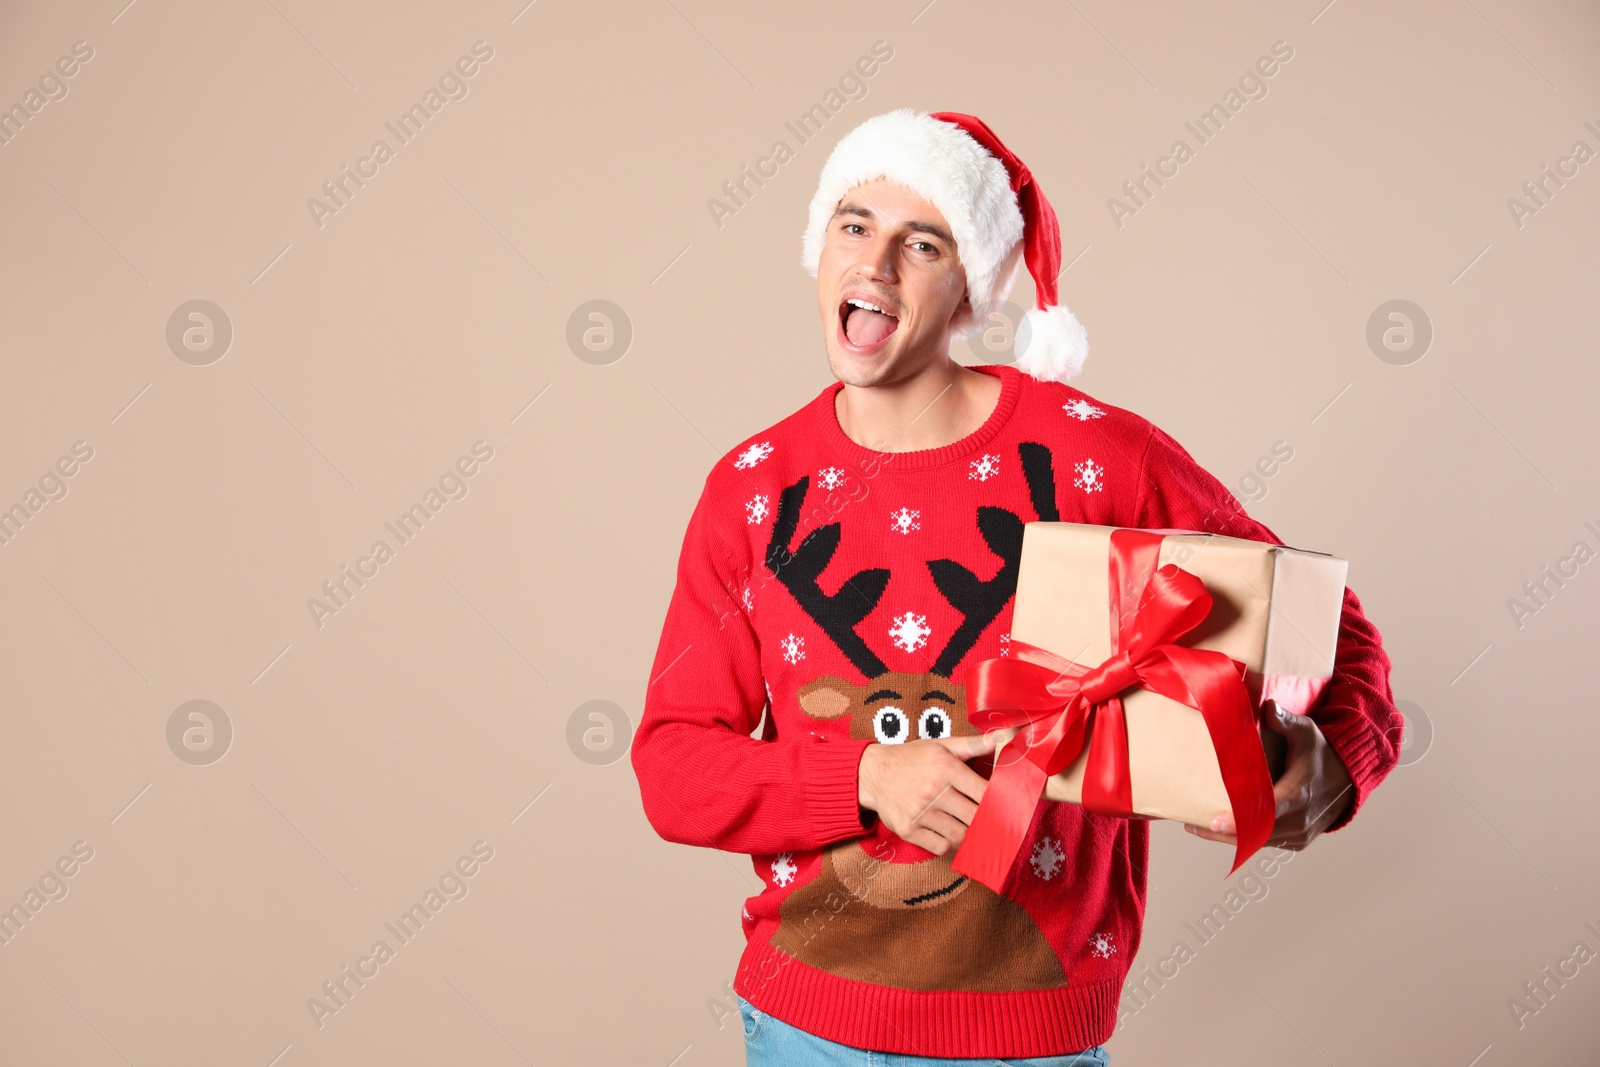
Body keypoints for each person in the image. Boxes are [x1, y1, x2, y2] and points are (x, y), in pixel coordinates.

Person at [631, 107, 1401, 1064]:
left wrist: (1332, 763)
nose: (875, 264)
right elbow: (672, 766)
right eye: (854, 224)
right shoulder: (751, 490)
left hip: (1033, 1031)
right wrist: (865, 777)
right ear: (819, 249)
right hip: (807, 1029)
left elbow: (1332, 629)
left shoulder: (1095, 453)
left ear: (967, 293)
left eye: (923, 243)